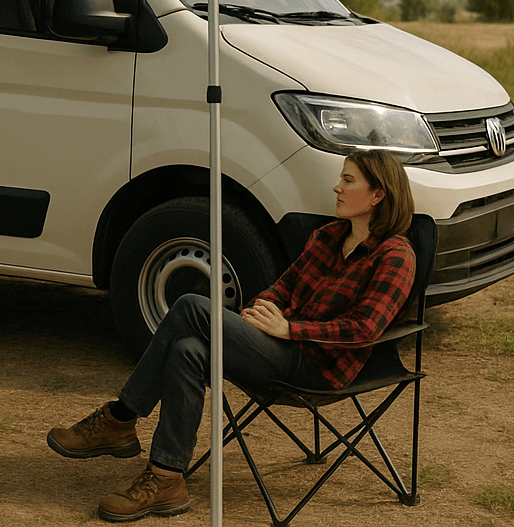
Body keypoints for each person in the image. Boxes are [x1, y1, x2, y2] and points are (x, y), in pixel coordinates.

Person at [48, 149, 417, 522]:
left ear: (378, 194)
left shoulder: (395, 256)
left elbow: (364, 328)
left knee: (191, 306)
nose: (336, 187)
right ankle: (166, 477)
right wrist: (257, 315)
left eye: (348, 180)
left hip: (316, 368)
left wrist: (290, 329)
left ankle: (120, 417)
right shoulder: (327, 237)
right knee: (187, 349)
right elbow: (283, 288)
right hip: (275, 348)